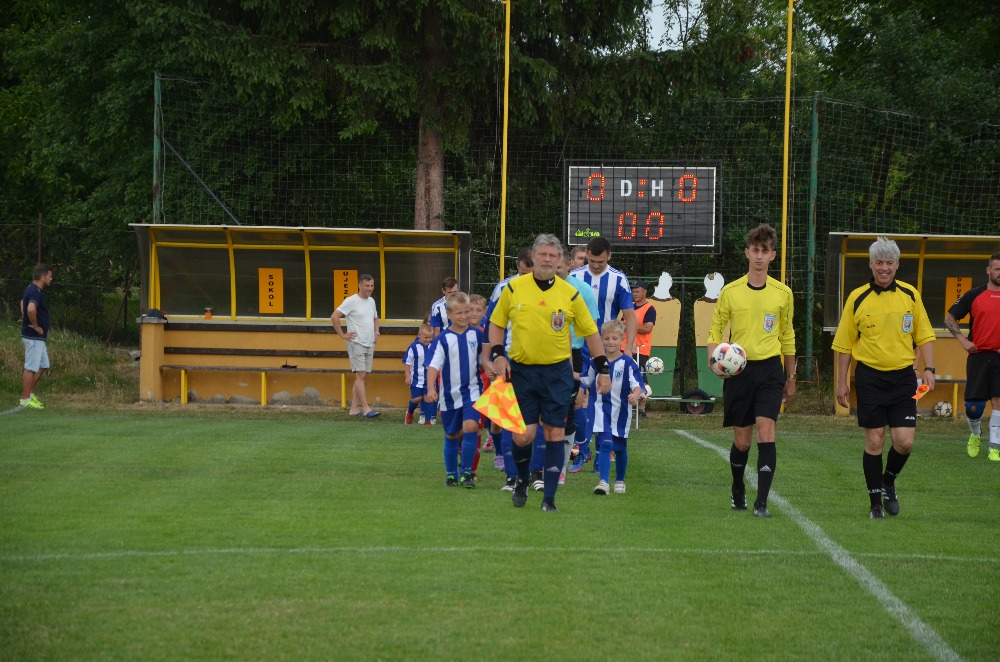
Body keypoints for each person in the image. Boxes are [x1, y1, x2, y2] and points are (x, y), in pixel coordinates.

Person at [488, 234, 610, 512]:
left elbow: (591, 333)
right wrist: (497, 355)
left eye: (552, 256)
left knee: (555, 432)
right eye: (542, 254)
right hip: (522, 372)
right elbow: (496, 324)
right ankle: (521, 480)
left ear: (560, 261)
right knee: (523, 435)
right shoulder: (513, 288)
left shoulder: (571, 294)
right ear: (533, 257)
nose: (547, 259)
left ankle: (549, 499)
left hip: (557, 373)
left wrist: (603, 368)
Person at [832, 236, 936, 519]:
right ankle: (875, 503)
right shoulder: (857, 298)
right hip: (870, 378)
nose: (884, 268)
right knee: (875, 441)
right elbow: (844, 346)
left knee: (904, 442)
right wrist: (842, 382)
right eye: (879, 262)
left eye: (889, 262)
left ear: (897, 265)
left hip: (904, 379)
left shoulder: (910, 295)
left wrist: (929, 368)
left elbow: (924, 335)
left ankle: (888, 481)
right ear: (871, 264)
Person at [708, 223, 796, 519]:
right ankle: (737, 487)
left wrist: (791, 377)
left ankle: (762, 503)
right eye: (755, 250)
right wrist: (714, 360)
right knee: (742, 441)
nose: (759, 256)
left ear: (773, 256)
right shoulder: (730, 292)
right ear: (747, 253)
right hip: (739, 372)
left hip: (770, 370)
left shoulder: (783, 293)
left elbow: (788, 335)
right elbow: (716, 330)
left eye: (765, 251)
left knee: (766, 431)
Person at [568, 236, 636, 472]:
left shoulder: (618, 279)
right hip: (579, 347)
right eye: (592, 260)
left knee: (603, 402)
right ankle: (582, 450)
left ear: (609, 256)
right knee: (576, 400)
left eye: (601, 261)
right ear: (586, 255)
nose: (596, 265)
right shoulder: (575, 277)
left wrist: (628, 348)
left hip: (607, 349)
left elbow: (630, 315)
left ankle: (600, 456)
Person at [944, 251, 1000, 461]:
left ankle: (995, 446)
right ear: (988, 270)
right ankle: (975, 435)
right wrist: (963, 341)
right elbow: (950, 319)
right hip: (978, 356)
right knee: (973, 407)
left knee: (998, 400)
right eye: (997, 269)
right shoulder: (974, 295)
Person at [425, 292, 485, 488]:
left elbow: (484, 359)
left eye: (467, 312)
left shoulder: (477, 334)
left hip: (472, 392)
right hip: (449, 395)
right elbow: (433, 365)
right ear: (449, 314)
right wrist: (431, 388)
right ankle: (451, 474)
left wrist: (492, 369)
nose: (464, 316)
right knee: (452, 434)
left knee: (471, 427)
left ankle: (467, 472)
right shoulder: (443, 338)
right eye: (459, 313)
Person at [582, 320, 643, 495]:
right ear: (601, 339)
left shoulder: (628, 363)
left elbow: (637, 384)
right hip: (600, 410)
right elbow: (586, 379)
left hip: (621, 411)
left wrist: (635, 395)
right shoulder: (596, 363)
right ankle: (603, 482)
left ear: (622, 339)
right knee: (606, 444)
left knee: (620, 448)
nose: (610, 342)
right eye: (607, 338)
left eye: (614, 338)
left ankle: (620, 480)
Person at [331, 273, 381, 417]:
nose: (369, 288)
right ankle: (366, 409)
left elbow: (375, 318)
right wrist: (342, 335)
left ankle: (353, 409)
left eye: (372, 285)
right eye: (367, 285)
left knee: (362, 376)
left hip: (369, 343)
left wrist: (376, 332)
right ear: (359, 285)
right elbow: (334, 316)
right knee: (361, 374)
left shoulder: (371, 301)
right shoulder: (351, 301)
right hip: (356, 343)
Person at [19, 264, 54, 410]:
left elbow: (22, 302)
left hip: (37, 338)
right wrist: (34, 325)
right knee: (30, 368)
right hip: (33, 337)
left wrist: (26, 319)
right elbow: (30, 308)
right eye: (49, 276)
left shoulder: (31, 288)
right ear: (42, 277)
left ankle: (30, 393)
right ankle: (25, 399)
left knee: (43, 365)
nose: (51, 279)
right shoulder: (36, 291)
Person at [626, 280, 656, 417]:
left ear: (645, 292)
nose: (635, 294)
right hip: (626, 347)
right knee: (627, 376)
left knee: (641, 377)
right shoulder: (629, 307)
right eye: (633, 291)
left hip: (641, 348)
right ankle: (628, 405)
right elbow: (622, 324)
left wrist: (630, 326)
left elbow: (647, 327)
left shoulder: (650, 308)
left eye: (637, 291)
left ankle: (642, 408)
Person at [403, 324, 437, 425]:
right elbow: (407, 362)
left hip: (429, 379)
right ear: (419, 335)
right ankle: (409, 413)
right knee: (416, 399)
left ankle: (427, 421)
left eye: (430, 337)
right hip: (416, 379)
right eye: (426, 337)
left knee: (428, 398)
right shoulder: (413, 347)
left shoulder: (433, 346)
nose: (428, 340)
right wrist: (407, 376)